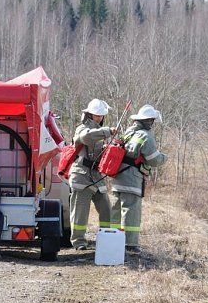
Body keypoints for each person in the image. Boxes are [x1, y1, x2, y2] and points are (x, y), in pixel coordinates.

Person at [110, 104, 167, 254]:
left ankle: (113, 241)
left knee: (116, 212)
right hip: (132, 180)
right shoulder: (146, 136)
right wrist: (164, 158)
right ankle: (129, 244)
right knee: (131, 211)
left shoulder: (128, 132)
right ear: (149, 121)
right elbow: (153, 160)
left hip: (117, 178)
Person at [69, 99, 117, 250]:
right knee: (80, 212)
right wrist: (107, 131)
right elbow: (86, 137)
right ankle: (79, 242)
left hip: (96, 177)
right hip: (81, 176)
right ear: (89, 114)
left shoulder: (99, 132)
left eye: (101, 116)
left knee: (106, 209)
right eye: (97, 115)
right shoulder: (82, 129)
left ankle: (106, 237)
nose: (99, 118)